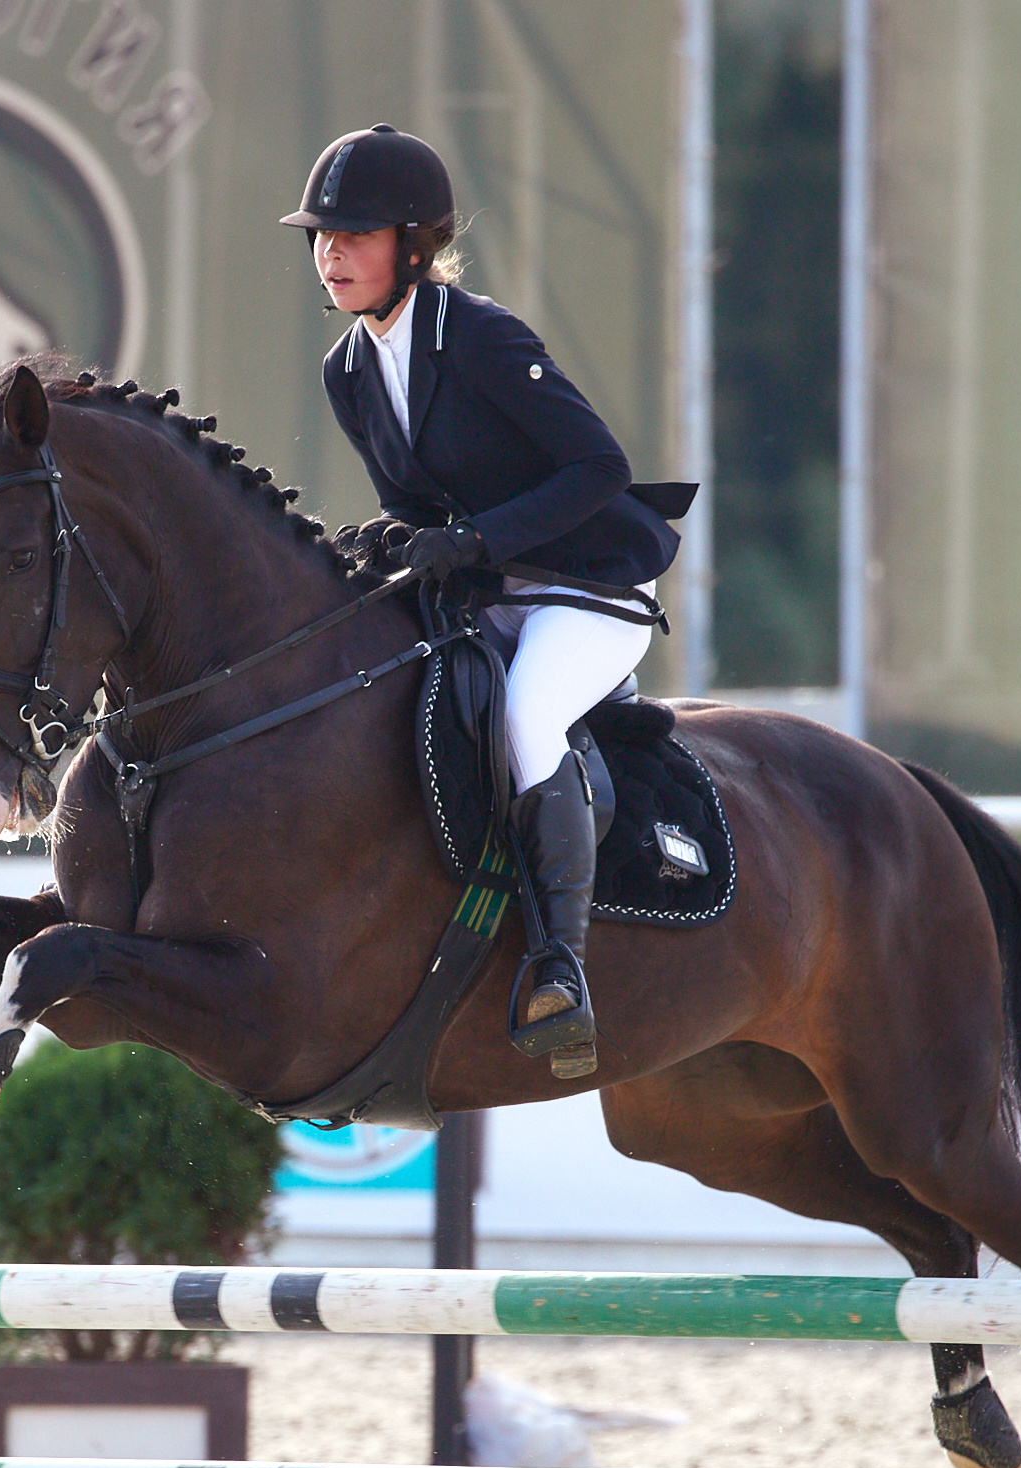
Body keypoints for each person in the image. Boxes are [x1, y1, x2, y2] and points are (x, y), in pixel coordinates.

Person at [283, 124, 684, 1067]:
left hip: (587, 587)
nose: (331, 253)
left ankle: (561, 966)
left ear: (415, 246)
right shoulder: (346, 369)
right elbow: (417, 499)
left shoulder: (485, 337)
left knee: (525, 715)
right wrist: (399, 536)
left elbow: (599, 466)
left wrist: (476, 540)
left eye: (356, 235)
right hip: (490, 590)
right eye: (321, 236)